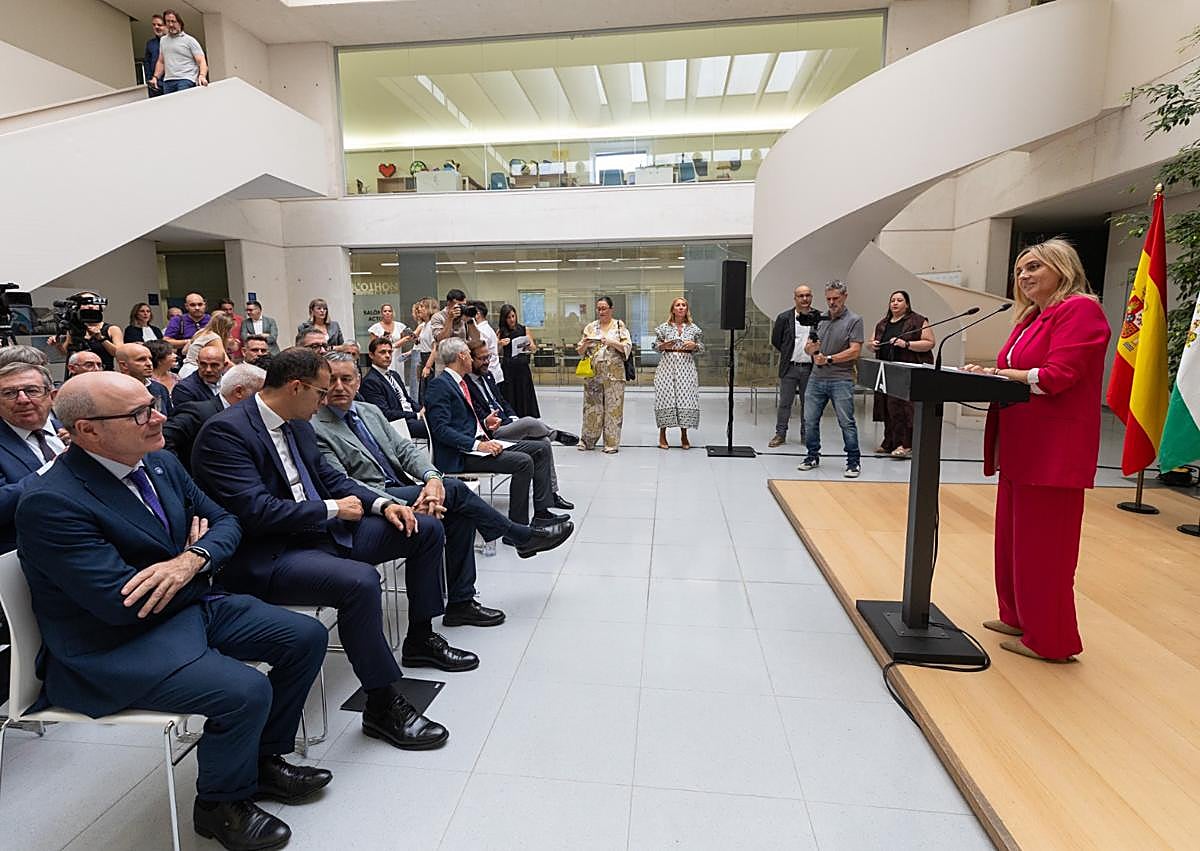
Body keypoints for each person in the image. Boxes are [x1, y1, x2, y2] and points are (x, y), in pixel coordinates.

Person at [18, 372, 330, 849]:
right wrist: (199, 567)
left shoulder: (159, 462)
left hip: (185, 607)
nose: (160, 417)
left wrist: (192, 559)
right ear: (87, 430)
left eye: (154, 404)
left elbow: (227, 522)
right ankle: (220, 805)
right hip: (112, 644)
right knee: (244, 691)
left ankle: (261, 759)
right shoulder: (52, 502)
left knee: (305, 637)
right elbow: (122, 603)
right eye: (139, 413)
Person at [191, 348, 470, 750]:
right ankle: (381, 702)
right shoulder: (225, 433)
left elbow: (332, 478)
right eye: (320, 393)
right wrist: (333, 509)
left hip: (320, 533)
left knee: (423, 528)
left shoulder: (298, 424)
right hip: (271, 553)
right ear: (296, 387)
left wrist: (384, 505)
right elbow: (256, 512)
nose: (325, 401)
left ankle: (421, 637)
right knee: (360, 581)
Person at [314, 354, 571, 600]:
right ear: (322, 383)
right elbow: (344, 483)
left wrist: (432, 479)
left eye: (346, 379)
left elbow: (404, 450)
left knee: (460, 513)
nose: (339, 387)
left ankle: (462, 601)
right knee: (456, 490)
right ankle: (520, 536)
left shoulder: (368, 411)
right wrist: (402, 502)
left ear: (357, 382)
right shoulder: (316, 427)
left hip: (405, 485)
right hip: (376, 500)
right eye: (332, 380)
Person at [964, 239, 1111, 663]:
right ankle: (1017, 616)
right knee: (1014, 542)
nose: (1024, 276)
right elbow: (1019, 372)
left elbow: (1055, 377)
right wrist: (992, 374)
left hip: (1053, 452)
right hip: (1020, 446)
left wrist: (998, 373)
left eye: (1033, 267)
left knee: (1046, 550)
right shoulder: (1031, 316)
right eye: (1019, 270)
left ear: (1062, 268)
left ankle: (1050, 640)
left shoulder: (1080, 310)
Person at [425, 339, 567, 528]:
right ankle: (518, 528)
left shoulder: (459, 382)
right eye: (469, 354)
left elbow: (460, 421)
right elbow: (441, 430)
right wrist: (478, 445)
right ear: (461, 356)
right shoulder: (440, 385)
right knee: (524, 462)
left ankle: (541, 513)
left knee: (541, 448)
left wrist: (485, 423)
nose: (471, 359)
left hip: (478, 443)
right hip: (461, 454)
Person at [465, 340, 575, 510]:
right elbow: (475, 415)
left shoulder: (488, 376)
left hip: (507, 423)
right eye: (482, 358)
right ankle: (556, 435)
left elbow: (502, 401)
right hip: (492, 431)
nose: (486, 362)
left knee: (544, 442)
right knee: (530, 422)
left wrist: (513, 417)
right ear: (470, 359)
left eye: (488, 357)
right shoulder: (465, 384)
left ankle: (551, 495)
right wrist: (490, 421)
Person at [797, 281, 864, 478]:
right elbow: (809, 347)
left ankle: (853, 461)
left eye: (836, 298)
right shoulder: (820, 319)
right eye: (828, 299)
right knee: (809, 420)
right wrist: (812, 350)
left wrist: (829, 359)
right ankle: (812, 456)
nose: (832, 302)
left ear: (845, 297)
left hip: (841, 378)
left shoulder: (854, 320)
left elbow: (855, 350)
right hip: (816, 377)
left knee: (846, 422)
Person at [0, 363, 65, 552]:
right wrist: (51, 470)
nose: (22, 399)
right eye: (9, 393)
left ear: (52, 396)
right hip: (30, 552)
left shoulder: (77, 431)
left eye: (32, 390)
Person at [163, 363, 265, 473]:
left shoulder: (246, 416)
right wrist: (181, 475)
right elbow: (164, 439)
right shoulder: (199, 413)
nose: (263, 399)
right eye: (259, 393)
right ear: (238, 392)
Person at [868, 290, 935, 458]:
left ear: (907, 304)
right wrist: (872, 345)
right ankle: (890, 441)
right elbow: (870, 343)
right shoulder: (883, 323)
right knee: (888, 407)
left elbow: (929, 343)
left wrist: (906, 344)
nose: (895, 303)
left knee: (904, 410)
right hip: (886, 372)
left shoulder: (918, 321)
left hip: (907, 373)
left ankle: (905, 444)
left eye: (899, 300)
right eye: (892, 300)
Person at [575, 296, 631, 453]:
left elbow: (627, 347)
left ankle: (611, 443)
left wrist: (611, 342)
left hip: (614, 375)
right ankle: (587, 441)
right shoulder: (591, 327)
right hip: (593, 374)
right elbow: (580, 351)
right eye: (599, 308)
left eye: (604, 308)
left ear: (611, 309)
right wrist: (585, 344)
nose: (601, 311)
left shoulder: (619, 326)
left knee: (613, 409)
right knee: (591, 408)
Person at [769, 285, 820, 448]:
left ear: (811, 297)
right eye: (801, 296)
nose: (804, 299)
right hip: (790, 367)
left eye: (807, 295)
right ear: (795, 298)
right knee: (785, 403)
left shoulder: (819, 317)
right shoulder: (784, 318)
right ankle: (780, 434)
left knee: (808, 404)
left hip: (810, 368)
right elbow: (776, 340)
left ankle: (806, 435)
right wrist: (788, 353)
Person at [653, 297, 704, 450]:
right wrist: (663, 345)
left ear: (687, 309)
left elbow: (702, 347)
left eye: (683, 305)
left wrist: (694, 345)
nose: (681, 307)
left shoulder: (694, 329)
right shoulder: (663, 328)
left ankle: (684, 434)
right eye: (678, 305)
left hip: (686, 367)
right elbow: (655, 346)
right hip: (667, 366)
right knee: (665, 397)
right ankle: (662, 434)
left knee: (685, 398)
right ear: (673, 309)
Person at [360, 338, 427, 438]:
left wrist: (422, 410)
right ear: (371, 355)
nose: (387, 355)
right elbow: (385, 413)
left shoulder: (394, 375)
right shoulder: (370, 381)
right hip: (397, 424)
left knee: (439, 420)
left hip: (409, 417)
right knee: (435, 428)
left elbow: (408, 400)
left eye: (390, 352)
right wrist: (416, 415)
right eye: (382, 352)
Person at [47, 293, 123, 375]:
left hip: (104, 374)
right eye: (85, 303)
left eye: (94, 304)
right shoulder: (74, 328)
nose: (90, 306)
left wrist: (101, 338)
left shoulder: (112, 329)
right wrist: (58, 344)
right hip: (80, 375)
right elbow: (67, 353)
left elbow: (120, 354)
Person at [496, 303, 541, 418]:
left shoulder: (524, 329)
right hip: (508, 368)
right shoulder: (501, 332)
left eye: (513, 316)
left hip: (522, 367)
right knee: (510, 394)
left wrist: (529, 345)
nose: (512, 320)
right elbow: (495, 351)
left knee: (524, 392)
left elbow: (534, 348)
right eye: (508, 317)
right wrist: (500, 344)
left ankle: (526, 416)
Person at [422, 290, 478, 380]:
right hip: (444, 365)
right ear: (449, 303)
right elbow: (441, 340)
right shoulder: (438, 317)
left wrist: (470, 321)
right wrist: (450, 319)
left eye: (463, 305)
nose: (461, 308)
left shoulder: (465, 317)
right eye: (458, 305)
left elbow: (476, 338)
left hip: (463, 363)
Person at [152, 9, 208, 94]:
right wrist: (155, 77)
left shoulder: (189, 40)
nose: (171, 24)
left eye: (173, 21)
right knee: (171, 103)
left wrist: (202, 76)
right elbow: (161, 61)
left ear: (180, 23)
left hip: (186, 79)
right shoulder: (163, 40)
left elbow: (201, 61)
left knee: (182, 101)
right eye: (168, 21)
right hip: (168, 81)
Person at [114, 342, 173, 416]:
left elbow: (170, 418)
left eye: (150, 359)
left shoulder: (160, 388)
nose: (149, 363)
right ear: (124, 365)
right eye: (141, 359)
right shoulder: (113, 392)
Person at [180, 311, 234, 379]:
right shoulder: (214, 338)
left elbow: (184, 351)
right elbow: (227, 363)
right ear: (225, 330)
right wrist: (242, 370)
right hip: (196, 373)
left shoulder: (201, 332)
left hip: (185, 370)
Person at [368, 304, 414, 375]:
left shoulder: (400, 326)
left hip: (397, 358)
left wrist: (402, 341)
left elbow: (409, 338)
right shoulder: (375, 328)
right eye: (385, 311)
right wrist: (382, 341)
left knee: (398, 377)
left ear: (392, 313)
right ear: (381, 313)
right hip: (382, 359)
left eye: (389, 311)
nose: (387, 313)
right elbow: (372, 347)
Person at [470, 301, 504, 387]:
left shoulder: (481, 331)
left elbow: (480, 352)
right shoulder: (488, 328)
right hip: (495, 371)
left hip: (490, 372)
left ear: (477, 314)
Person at [142, 13, 166, 98]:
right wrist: (149, 80)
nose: (156, 27)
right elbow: (147, 63)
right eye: (154, 25)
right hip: (155, 84)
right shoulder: (150, 44)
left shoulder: (172, 42)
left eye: (159, 25)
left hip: (169, 82)